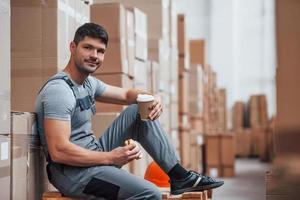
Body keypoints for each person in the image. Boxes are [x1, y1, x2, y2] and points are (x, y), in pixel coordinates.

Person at [35, 23, 224, 200]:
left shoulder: (87, 83)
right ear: (72, 47)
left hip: (93, 156)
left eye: (100, 51)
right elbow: (59, 151)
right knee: (150, 194)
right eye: (88, 48)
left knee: (137, 109)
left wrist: (153, 98)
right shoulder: (59, 91)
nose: (94, 55)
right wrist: (111, 157)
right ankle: (177, 178)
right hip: (73, 175)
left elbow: (127, 94)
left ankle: (180, 176)